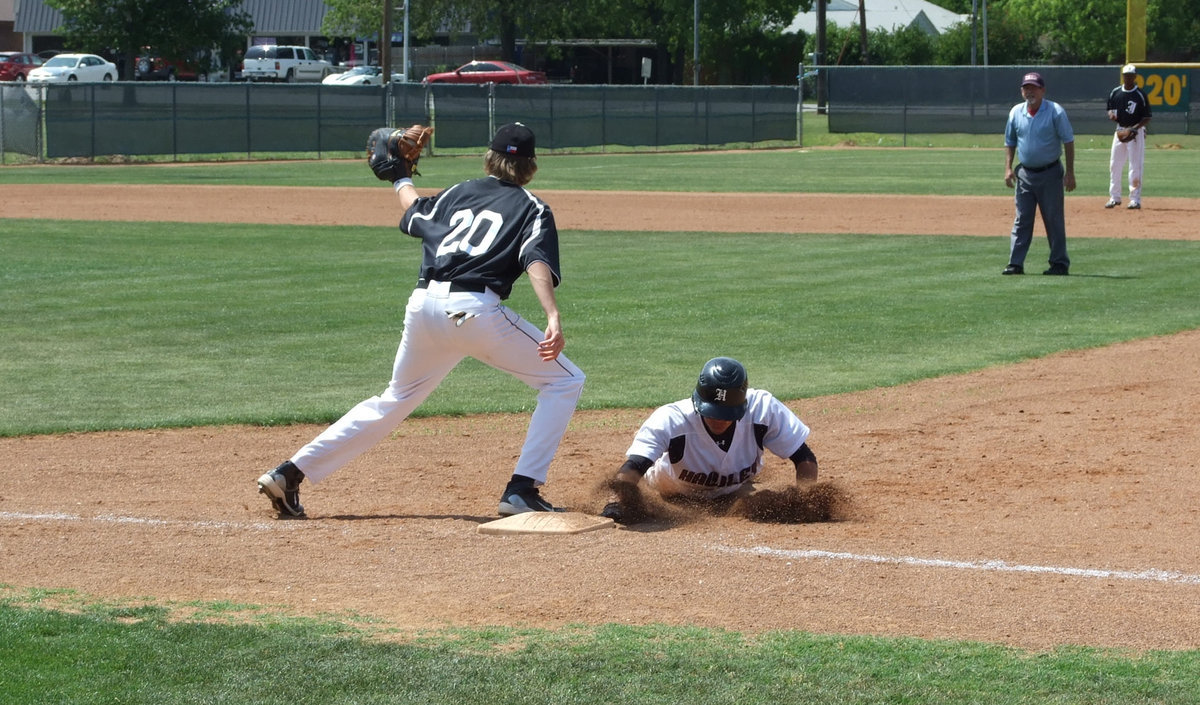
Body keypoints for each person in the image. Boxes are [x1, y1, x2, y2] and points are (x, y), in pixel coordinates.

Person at [257, 122, 586, 518]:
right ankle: (521, 488)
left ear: (488, 158)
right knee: (565, 381)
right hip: (475, 311)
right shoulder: (532, 207)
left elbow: (415, 212)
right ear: (531, 166)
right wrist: (552, 314)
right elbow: (535, 259)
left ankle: (290, 473)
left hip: (423, 307)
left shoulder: (459, 191)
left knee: (393, 400)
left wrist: (398, 177)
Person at [600, 357, 819, 525]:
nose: (718, 419)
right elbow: (632, 468)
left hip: (734, 489)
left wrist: (805, 499)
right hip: (670, 488)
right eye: (712, 412)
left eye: (727, 414)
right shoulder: (671, 419)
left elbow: (805, 458)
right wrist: (616, 501)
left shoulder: (763, 409)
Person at [1002, 71, 1076, 276]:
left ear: (1043, 90)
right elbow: (1010, 141)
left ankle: (1059, 263)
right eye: (1026, 88)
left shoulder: (1055, 111)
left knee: (1053, 219)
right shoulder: (1016, 112)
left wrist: (1069, 173)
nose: (1030, 91)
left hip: (1050, 172)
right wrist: (1008, 168)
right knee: (1022, 219)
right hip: (1025, 174)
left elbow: (1068, 141)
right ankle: (1015, 263)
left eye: (1034, 87)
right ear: (1021, 91)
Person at [1105, 64, 1152, 210]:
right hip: (1119, 130)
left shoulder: (1140, 94)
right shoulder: (1115, 92)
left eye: (1131, 75)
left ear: (1135, 77)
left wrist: (1135, 128)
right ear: (1123, 76)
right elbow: (1109, 109)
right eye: (1126, 75)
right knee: (1114, 164)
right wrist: (1111, 115)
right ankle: (1114, 197)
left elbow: (1147, 117)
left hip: (1135, 132)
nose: (1128, 77)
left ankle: (1135, 199)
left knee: (1135, 166)